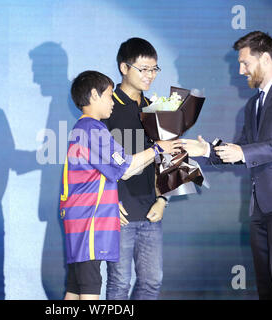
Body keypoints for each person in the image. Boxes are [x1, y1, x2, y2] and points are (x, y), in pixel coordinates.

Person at [183, 31, 272, 300]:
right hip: (261, 204)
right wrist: (206, 149)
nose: (241, 70)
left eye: (245, 63)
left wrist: (242, 151)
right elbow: (240, 150)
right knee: (266, 280)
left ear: (265, 58)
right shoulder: (253, 104)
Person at [61, 70, 181, 300]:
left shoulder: (81, 128)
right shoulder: (93, 129)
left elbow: (125, 171)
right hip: (89, 222)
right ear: (94, 95)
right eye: (108, 96)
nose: (112, 102)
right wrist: (158, 149)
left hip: (80, 221)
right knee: (90, 286)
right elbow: (126, 168)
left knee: (76, 286)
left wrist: (159, 151)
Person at [102, 37, 166, 300]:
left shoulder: (155, 109)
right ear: (124, 68)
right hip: (120, 213)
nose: (150, 75)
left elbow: (165, 159)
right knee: (119, 284)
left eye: (154, 69)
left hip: (151, 210)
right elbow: (96, 160)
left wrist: (162, 199)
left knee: (152, 282)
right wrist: (107, 202)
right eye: (143, 69)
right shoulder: (107, 106)